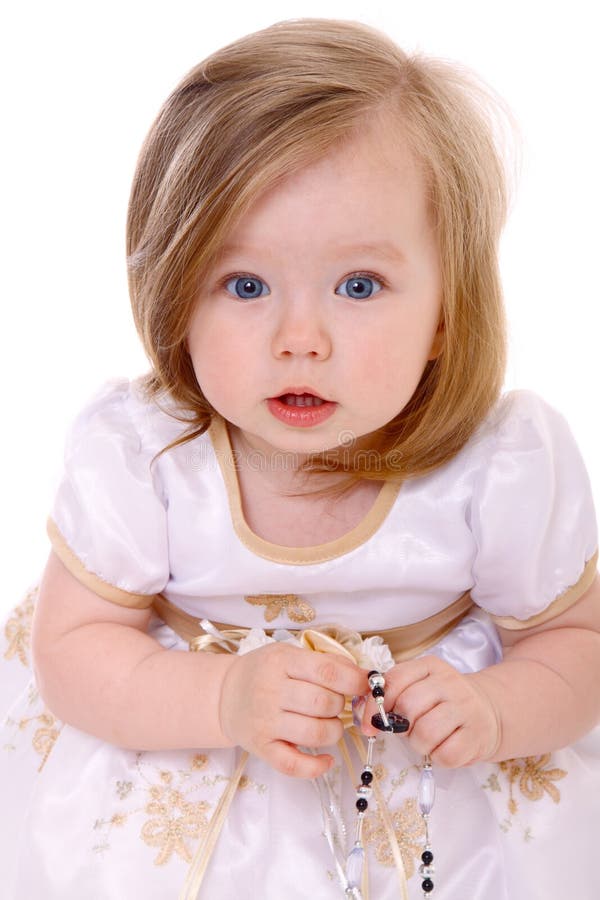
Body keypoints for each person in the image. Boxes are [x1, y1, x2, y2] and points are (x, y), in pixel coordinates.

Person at [1, 17, 599, 900]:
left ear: (445, 313)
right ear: (176, 297)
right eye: (246, 286)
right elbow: (75, 650)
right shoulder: (149, 454)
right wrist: (221, 698)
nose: (300, 340)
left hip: (428, 798)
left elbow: (576, 646)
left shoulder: (498, 467)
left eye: (359, 287)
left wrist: (499, 708)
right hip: (188, 760)